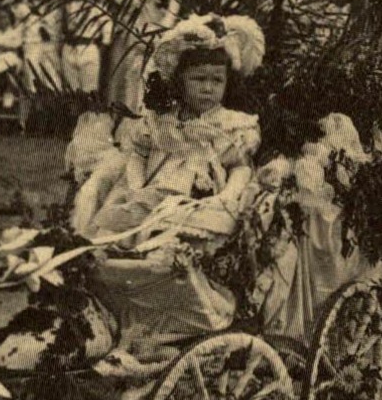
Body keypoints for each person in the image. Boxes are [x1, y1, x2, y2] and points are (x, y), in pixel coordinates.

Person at [73, 14, 264, 239]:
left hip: (197, 200)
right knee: (122, 223)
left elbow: (239, 167)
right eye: (199, 79)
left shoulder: (230, 124)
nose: (208, 88)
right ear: (179, 82)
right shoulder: (161, 120)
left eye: (216, 81)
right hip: (150, 192)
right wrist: (136, 186)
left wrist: (226, 197)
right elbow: (139, 154)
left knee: (178, 228)